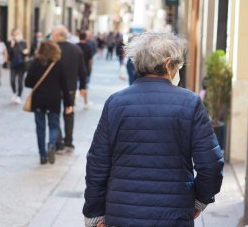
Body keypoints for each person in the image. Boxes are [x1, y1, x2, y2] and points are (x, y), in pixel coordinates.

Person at [83, 32, 224, 226]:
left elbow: (97, 164)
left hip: (122, 214)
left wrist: (94, 213)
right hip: (173, 215)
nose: (178, 70)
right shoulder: (190, 103)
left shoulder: (116, 103)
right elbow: (211, 164)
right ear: (168, 64)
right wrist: (200, 200)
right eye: (178, 65)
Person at [25, 41, 72, 165]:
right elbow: (65, 86)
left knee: (40, 128)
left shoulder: (35, 63)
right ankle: (51, 144)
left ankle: (42, 155)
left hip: (39, 101)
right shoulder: (59, 64)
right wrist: (68, 104)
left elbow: (27, 83)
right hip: (54, 100)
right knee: (54, 125)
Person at [51, 25, 87, 152]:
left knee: (54, 114)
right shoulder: (76, 49)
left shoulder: (53, 49)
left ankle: (58, 141)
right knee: (69, 113)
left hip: (55, 88)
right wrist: (83, 86)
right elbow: (82, 70)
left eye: (53, 34)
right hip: (71, 88)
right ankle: (69, 141)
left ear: (57, 36)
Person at [6, 28, 27, 104]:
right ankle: (14, 92)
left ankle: (19, 96)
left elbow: (24, 51)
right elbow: (9, 52)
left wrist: (18, 44)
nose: (15, 35)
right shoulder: (9, 42)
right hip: (13, 63)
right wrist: (11, 45)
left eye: (17, 33)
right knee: (12, 80)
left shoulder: (23, 42)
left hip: (21, 64)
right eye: (14, 34)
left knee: (20, 81)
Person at [77, 31, 93, 108]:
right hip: (85, 69)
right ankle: (85, 102)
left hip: (75, 69)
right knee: (84, 86)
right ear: (85, 38)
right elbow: (90, 60)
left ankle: (73, 102)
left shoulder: (75, 46)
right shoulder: (88, 47)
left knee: (74, 86)